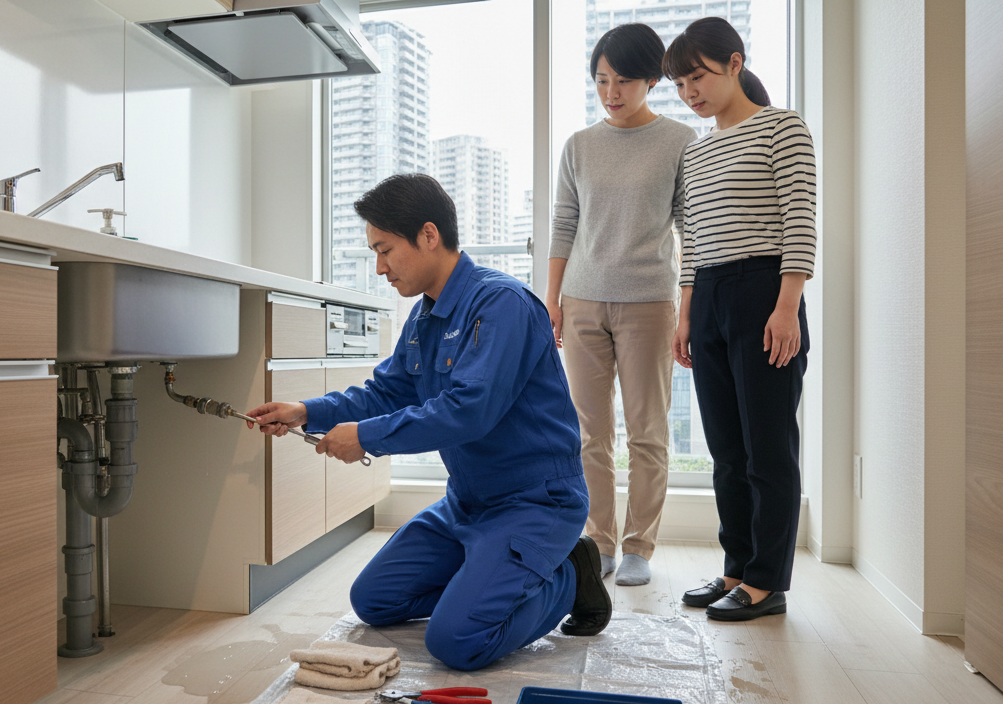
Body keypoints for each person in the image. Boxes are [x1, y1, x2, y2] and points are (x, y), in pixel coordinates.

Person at [246, 174, 612, 670]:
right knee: (373, 601)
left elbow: (469, 411)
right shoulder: (424, 318)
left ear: (428, 235)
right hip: (466, 504)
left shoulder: (502, 305)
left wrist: (367, 438)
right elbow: (386, 391)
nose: (379, 268)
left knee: (458, 642)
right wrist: (308, 411)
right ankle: (490, 574)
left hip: (535, 502)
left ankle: (569, 575)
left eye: (385, 250)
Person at [663, 17, 815, 621]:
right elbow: (692, 243)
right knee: (726, 448)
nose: (688, 92)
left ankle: (766, 581)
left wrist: (786, 307)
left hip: (765, 290)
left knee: (767, 448)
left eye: (696, 76)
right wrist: (685, 317)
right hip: (711, 298)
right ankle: (734, 569)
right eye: (679, 83)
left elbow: (799, 222)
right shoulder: (696, 153)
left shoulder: (783, 128)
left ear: (734, 62)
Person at [547, 23, 698, 588]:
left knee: (647, 430)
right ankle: (599, 541)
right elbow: (564, 223)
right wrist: (553, 300)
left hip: (648, 303)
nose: (610, 92)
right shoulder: (579, 146)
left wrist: (687, 309)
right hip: (583, 301)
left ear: (653, 80)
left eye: (623, 80)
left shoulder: (681, 140)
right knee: (588, 431)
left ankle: (638, 545)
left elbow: (691, 229)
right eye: (601, 80)